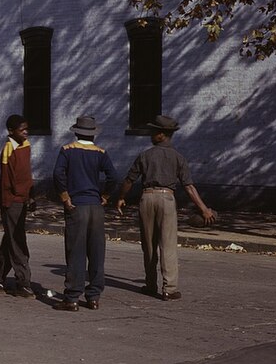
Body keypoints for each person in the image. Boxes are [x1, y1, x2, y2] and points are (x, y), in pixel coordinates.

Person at [116, 115, 215, 300]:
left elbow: (129, 180)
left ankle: (151, 284)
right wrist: (204, 208)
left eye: (153, 132)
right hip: (167, 199)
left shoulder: (145, 155)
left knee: (149, 245)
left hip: (147, 198)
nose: (151, 135)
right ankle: (169, 288)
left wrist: (121, 198)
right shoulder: (179, 158)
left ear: (161, 135)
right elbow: (189, 186)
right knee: (168, 244)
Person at [51, 115, 118, 311]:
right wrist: (105, 195)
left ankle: (72, 297)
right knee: (96, 251)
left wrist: (65, 196)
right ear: (93, 134)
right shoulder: (101, 153)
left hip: (76, 206)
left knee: (76, 251)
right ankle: (94, 296)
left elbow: (57, 174)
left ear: (76, 132)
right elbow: (113, 176)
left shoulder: (67, 150)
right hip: (95, 207)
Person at [0, 114, 36, 298]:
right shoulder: (8, 149)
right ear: (11, 132)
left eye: (27, 129)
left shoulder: (26, 146)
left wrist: (31, 196)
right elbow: (8, 181)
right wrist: (9, 204)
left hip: (22, 199)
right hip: (12, 201)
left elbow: (26, 174)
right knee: (18, 242)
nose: (26, 133)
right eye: (22, 130)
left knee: (11, 240)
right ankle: (24, 283)